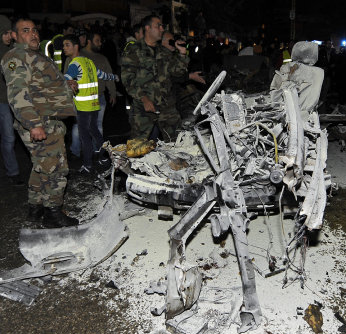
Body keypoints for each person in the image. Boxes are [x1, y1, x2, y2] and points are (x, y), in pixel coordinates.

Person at [1, 18, 78, 228]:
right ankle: (53, 213)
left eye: (34, 30)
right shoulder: (16, 56)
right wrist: (33, 123)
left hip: (47, 121)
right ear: (14, 36)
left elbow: (40, 84)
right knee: (56, 169)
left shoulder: (34, 56)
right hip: (41, 122)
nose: (33, 34)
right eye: (25, 31)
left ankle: (35, 210)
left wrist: (64, 84)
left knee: (41, 168)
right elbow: (18, 92)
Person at [121, 14, 205, 141]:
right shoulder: (134, 50)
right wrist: (144, 99)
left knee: (177, 142)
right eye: (158, 26)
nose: (162, 29)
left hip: (167, 106)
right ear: (147, 28)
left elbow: (177, 72)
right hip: (144, 107)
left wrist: (182, 54)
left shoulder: (164, 52)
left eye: (162, 26)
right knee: (138, 146)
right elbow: (128, 79)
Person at [63, 34, 118, 174]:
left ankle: (88, 164)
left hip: (83, 108)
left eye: (67, 45)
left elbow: (65, 80)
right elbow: (103, 75)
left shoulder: (74, 64)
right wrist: (115, 77)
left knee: (85, 136)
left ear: (76, 47)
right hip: (94, 104)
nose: (64, 48)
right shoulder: (89, 62)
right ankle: (104, 156)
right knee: (95, 131)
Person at [0, 15, 24, 186]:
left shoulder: (12, 51)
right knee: (8, 137)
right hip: (2, 101)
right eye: (5, 33)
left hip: (9, 101)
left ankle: (13, 172)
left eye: (11, 32)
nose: (9, 36)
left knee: (10, 137)